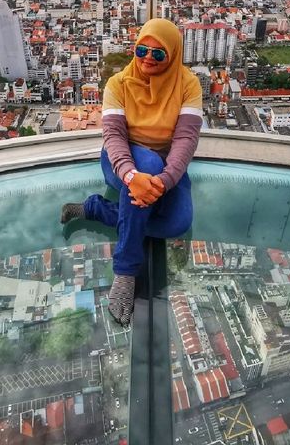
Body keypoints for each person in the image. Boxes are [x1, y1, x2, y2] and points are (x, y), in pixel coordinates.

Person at [61, 19, 203, 326]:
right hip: (121, 162)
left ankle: (95, 208)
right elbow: (113, 137)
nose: (148, 57)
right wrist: (130, 176)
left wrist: (163, 183)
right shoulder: (118, 84)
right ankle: (125, 271)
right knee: (146, 166)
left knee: (179, 222)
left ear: (173, 54)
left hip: (167, 168)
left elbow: (185, 140)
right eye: (142, 49)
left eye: (159, 53)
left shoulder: (188, 85)